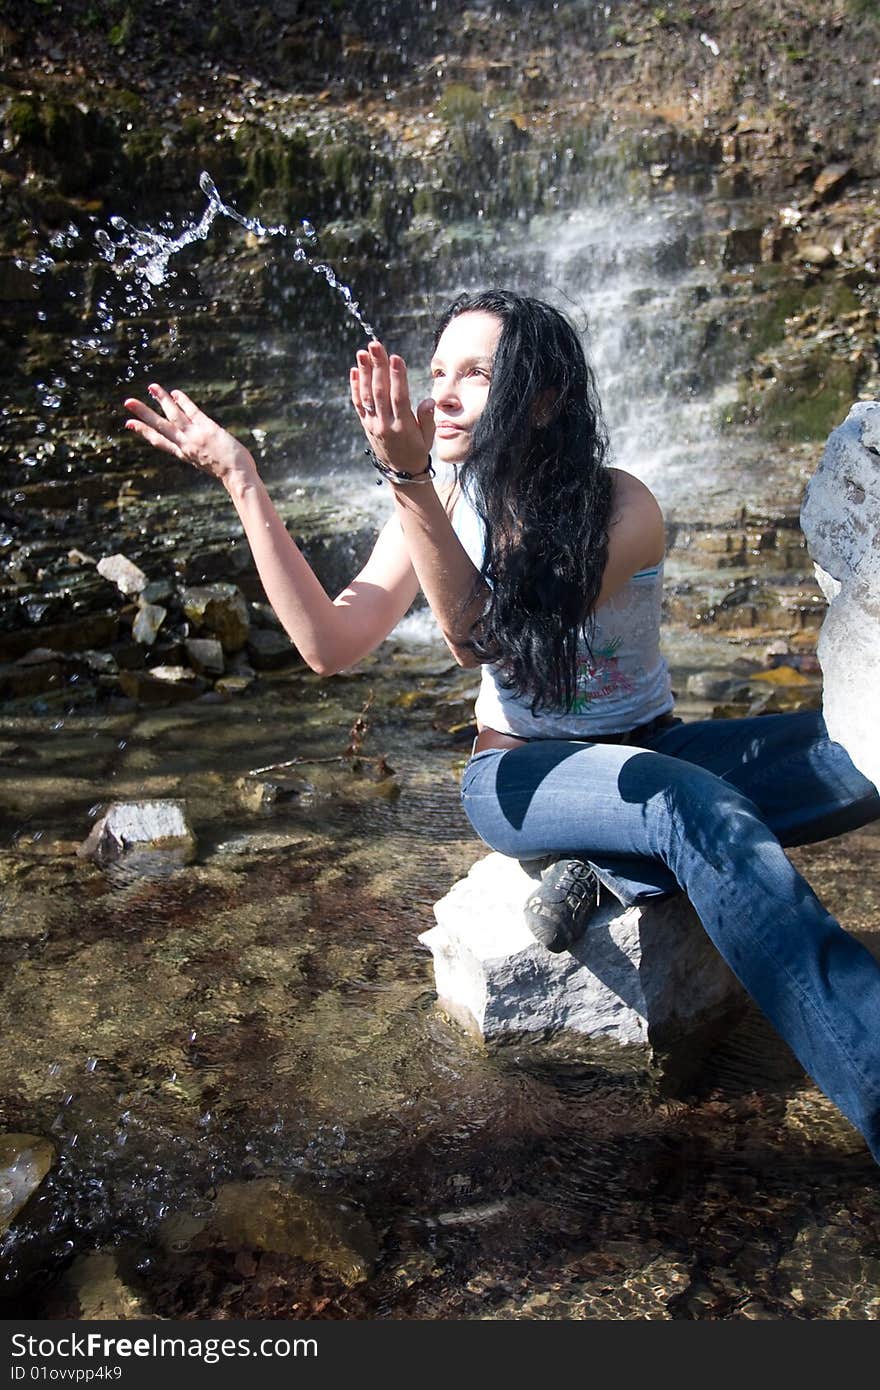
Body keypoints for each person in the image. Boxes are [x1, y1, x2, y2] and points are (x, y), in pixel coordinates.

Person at [124, 288, 880, 1164]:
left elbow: (519, 623)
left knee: (858, 750)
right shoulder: (433, 499)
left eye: (475, 374)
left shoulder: (624, 507)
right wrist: (242, 479)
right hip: (521, 778)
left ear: (544, 398)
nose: (440, 393)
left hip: (652, 749)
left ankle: (606, 868)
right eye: (437, 371)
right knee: (693, 812)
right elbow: (340, 643)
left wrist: (415, 486)